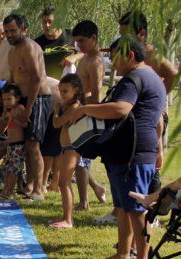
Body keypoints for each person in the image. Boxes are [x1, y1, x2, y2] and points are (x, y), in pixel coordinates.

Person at [68, 35, 166, 259]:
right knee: (123, 207)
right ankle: (123, 254)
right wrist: (159, 147)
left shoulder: (134, 78)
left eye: (115, 57)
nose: (113, 62)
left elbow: (122, 108)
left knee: (137, 208)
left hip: (133, 153)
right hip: (130, 151)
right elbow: (159, 118)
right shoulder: (153, 77)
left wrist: (85, 109)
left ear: (131, 55)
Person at [3, 14, 53, 200]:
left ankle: (39, 189)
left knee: (33, 145)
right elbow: (13, 80)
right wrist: (8, 107)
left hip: (38, 99)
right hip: (23, 100)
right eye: (7, 31)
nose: (9, 35)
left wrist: (30, 108)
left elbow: (36, 78)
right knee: (24, 144)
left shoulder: (30, 47)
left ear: (23, 29)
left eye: (13, 31)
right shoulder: (12, 52)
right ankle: (30, 185)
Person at [70, 19, 108, 210]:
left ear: (94, 38)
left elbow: (97, 97)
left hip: (89, 116)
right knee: (76, 158)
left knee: (80, 161)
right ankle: (97, 188)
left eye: (82, 41)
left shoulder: (95, 62)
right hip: (80, 112)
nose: (79, 45)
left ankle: (84, 203)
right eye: (76, 41)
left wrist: (79, 105)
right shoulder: (84, 57)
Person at [48, 73, 85, 228]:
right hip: (66, 147)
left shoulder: (74, 107)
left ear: (75, 90)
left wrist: (56, 110)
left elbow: (56, 124)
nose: (62, 95)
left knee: (64, 183)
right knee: (64, 184)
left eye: (65, 91)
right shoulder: (70, 106)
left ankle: (68, 220)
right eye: (60, 91)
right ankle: (65, 216)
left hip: (71, 148)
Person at [0, 84, 29, 200]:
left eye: (9, 99)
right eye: (4, 99)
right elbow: (4, 123)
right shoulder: (10, 110)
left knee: (14, 170)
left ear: (17, 98)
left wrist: (16, 119)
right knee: (8, 169)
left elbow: (26, 123)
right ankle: (5, 191)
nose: (6, 102)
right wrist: (6, 114)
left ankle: (10, 192)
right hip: (11, 144)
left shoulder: (19, 108)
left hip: (18, 145)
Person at [34, 7, 76, 80]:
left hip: (69, 85)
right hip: (47, 85)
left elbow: (88, 52)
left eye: (50, 22)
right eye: (44, 22)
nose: (47, 25)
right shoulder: (36, 43)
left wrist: (75, 57)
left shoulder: (72, 35)